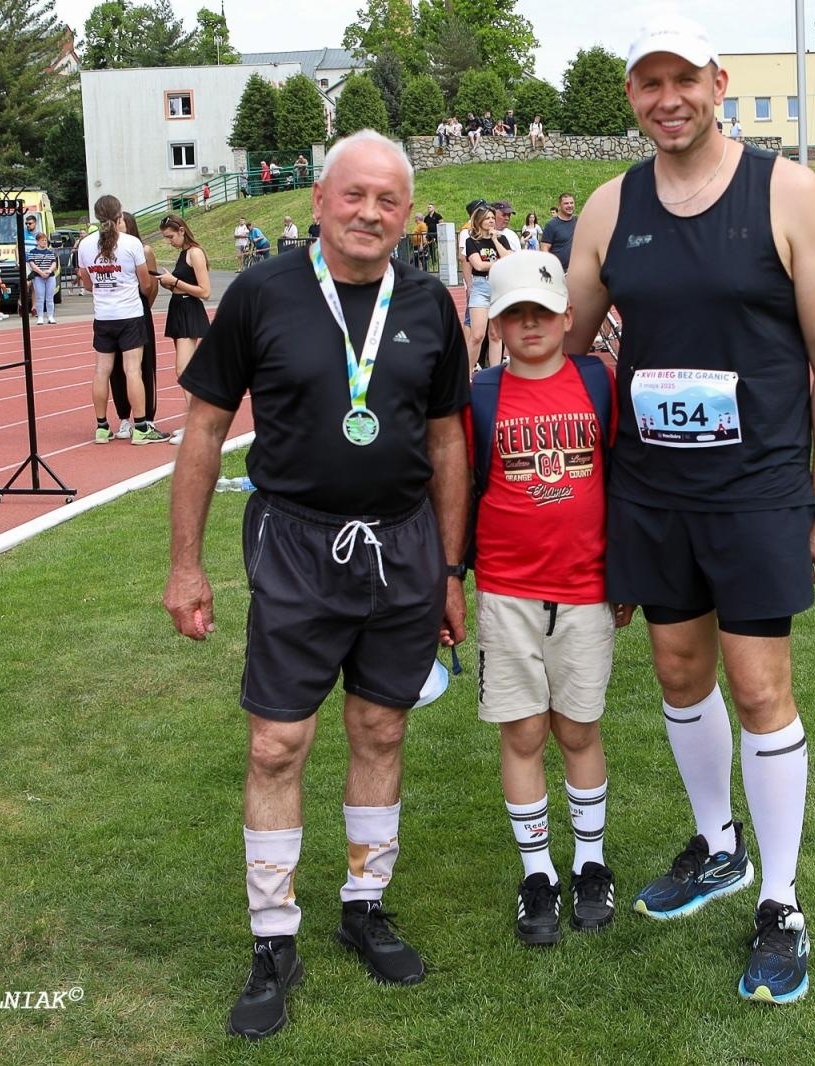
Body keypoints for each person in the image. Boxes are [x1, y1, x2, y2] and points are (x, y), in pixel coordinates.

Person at [562, 11, 815, 1006]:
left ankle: (780, 901)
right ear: (631, 95)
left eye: (682, 78)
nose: (666, 98)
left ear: (718, 81)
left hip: (758, 486)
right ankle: (717, 843)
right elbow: (563, 341)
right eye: (647, 82)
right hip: (651, 487)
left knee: (759, 683)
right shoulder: (609, 207)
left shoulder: (789, 192)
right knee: (678, 673)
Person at [162, 129, 470, 1042]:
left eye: (389, 200)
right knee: (276, 747)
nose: (371, 213)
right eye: (354, 196)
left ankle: (364, 905)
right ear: (321, 199)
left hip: (407, 550)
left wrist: (452, 569)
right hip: (297, 549)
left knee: (380, 726)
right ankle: (272, 936)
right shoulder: (261, 293)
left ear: (407, 214)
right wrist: (186, 562)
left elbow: (450, 441)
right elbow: (205, 432)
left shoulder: (430, 302)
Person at [468, 248, 629, 946]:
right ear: (497, 325)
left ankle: (591, 861)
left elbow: (621, 478)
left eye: (541, 311)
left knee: (579, 729)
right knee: (524, 732)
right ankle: (539, 873)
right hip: (507, 590)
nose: (529, 324)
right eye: (513, 315)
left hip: (587, 587)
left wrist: (626, 572)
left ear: (568, 315)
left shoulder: (598, 380)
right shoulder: (480, 396)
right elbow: (463, 488)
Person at [78, 194, 164, 445]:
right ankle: (140, 427)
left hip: (103, 315)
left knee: (101, 371)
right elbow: (145, 283)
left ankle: (102, 427)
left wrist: (104, 287)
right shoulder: (131, 244)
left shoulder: (84, 245)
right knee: (132, 370)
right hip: (129, 314)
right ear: (119, 216)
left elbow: (86, 282)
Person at [158, 214, 212, 445]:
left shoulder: (195, 253)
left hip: (190, 310)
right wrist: (168, 283)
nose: (169, 241)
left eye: (170, 236)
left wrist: (175, 282)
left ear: (181, 230)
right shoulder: (184, 253)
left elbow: (205, 291)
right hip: (179, 309)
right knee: (185, 370)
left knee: (183, 370)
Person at [111, 211, 161, 442]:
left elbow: (150, 287)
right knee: (116, 369)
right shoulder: (108, 250)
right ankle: (123, 418)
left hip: (138, 312)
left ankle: (147, 418)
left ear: (129, 225)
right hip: (115, 313)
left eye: (119, 221)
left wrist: (143, 310)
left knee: (143, 366)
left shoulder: (144, 250)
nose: (116, 225)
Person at [464, 205, 511, 372]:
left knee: (496, 334)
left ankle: (495, 372)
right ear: (479, 221)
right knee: (477, 335)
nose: (491, 221)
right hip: (481, 287)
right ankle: (467, 372)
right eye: (487, 218)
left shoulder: (501, 239)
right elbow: (478, 264)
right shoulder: (471, 242)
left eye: (492, 218)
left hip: (499, 286)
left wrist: (495, 240)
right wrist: (499, 263)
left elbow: (509, 258)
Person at [26, 231, 59, 324]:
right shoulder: (32, 252)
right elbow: (32, 264)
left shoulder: (50, 252)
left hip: (50, 276)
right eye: (42, 240)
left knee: (50, 297)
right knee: (40, 297)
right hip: (38, 276)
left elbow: (54, 263)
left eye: (45, 240)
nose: (44, 242)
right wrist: (41, 272)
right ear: (37, 241)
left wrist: (49, 271)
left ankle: (50, 316)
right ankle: (40, 317)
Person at [539, 193, 578, 272]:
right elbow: (544, 248)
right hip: (559, 271)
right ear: (559, 206)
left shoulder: (579, 221)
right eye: (566, 203)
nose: (570, 205)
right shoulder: (551, 225)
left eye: (571, 203)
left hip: (576, 270)